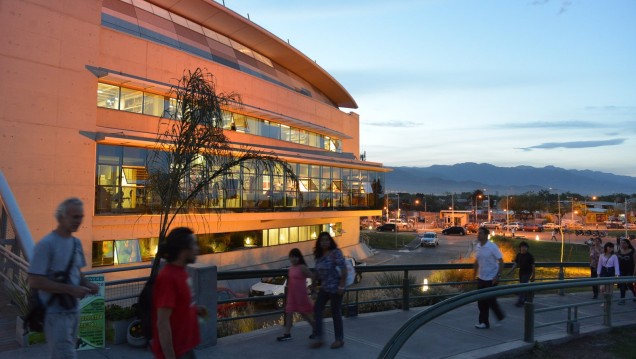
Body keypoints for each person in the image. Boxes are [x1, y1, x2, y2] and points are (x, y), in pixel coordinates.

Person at [27, 198, 99, 359]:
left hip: (73, 310)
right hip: (55, 313)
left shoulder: (76, 243)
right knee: (65, 355)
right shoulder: (46, 244)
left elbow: (77, 274)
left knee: (62, 354)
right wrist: (70, 289)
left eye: (81, 216)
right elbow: (35, 280)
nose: (79, 221)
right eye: (75, 217)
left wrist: (88, 284)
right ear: (62, 216)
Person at [152, 227, 207, 359]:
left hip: (186, 348)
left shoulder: (182, 272)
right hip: (176, 353)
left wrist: (194, 309)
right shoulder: (168, 277)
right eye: (193, 245)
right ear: (183, 250)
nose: (197, 249)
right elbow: (162, 323)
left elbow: (179, 305)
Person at [311, 232, 347, 349]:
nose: (324, 242)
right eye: (322, 240)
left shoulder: (335, 253)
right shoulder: (320, 256)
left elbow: (344, 269)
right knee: (317, 309)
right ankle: (319, 338)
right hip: (325, 288)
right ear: (319, 243)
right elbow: (316, 273)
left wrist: (341, 286)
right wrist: (313, 287)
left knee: (335, 312)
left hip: (336, 288)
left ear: (330, 241)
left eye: (327, 240)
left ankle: (339, 339)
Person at [277, 248, 316, 341]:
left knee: (305, 314)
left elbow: (313, 276)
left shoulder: (302, 267)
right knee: (289, 313)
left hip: (301, 295)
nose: (293, 259)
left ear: (299, 258)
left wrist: (313, 290)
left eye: (295, 257)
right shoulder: (291, 268)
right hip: (292, 295)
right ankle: (287, 334)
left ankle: (316, 329)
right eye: (291, 257)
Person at [473, 227, 505, 329]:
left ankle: (499, 316)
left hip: (492, 278)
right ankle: (484, 322)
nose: (478, 235)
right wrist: (473, 275)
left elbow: (501, 262)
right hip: (481, 278)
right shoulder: (478, 246)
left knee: (490, 300)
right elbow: (477, 261)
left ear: (486, 235)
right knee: (481, 302)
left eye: (481, 233)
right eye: (478, 233)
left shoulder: (492, 247)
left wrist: (498, 276)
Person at [506, 241, 535, 307]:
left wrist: (533, 275)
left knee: (522, 286)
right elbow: (515, 264)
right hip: (521, 272)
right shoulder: (519, 255)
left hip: (527, 273)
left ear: (527, 248)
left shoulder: (530, 256)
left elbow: (533, 266)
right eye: (522, 247)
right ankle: (527, 296)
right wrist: (510, 271)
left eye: (525, 247)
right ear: (520, 248)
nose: (524, 248)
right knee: (523, 286)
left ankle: (520, 301)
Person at [616, 238, 636, 304]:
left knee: (629, 284)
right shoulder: (619, 251)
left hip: (630, 270)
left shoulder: (632, 252)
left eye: (624, 243)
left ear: (628, 244)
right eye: (621, 243)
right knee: (622, 284)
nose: (622, 244)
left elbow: (635, 263)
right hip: (621, 271)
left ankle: (635, 295)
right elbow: (617, 262)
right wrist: (617, 272)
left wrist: (634, 272)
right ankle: (622, 299)